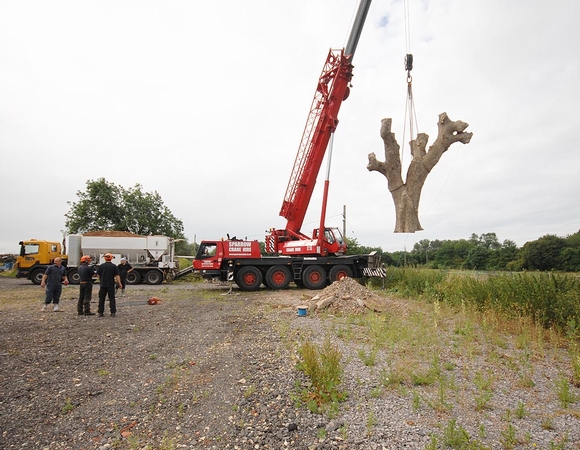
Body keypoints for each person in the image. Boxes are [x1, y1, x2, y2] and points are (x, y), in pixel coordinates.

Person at [96, 253, 122, 317]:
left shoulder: (101, 266)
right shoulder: (114, 266)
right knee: (112, 298)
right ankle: (113, 312)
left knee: (101, 299)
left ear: (105, 258)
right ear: (111, 258)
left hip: (103, 285)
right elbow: (117, 275)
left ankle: (100, 312)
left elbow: (98, 275)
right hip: (110, 285)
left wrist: (101, 280)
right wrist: (119, 283)